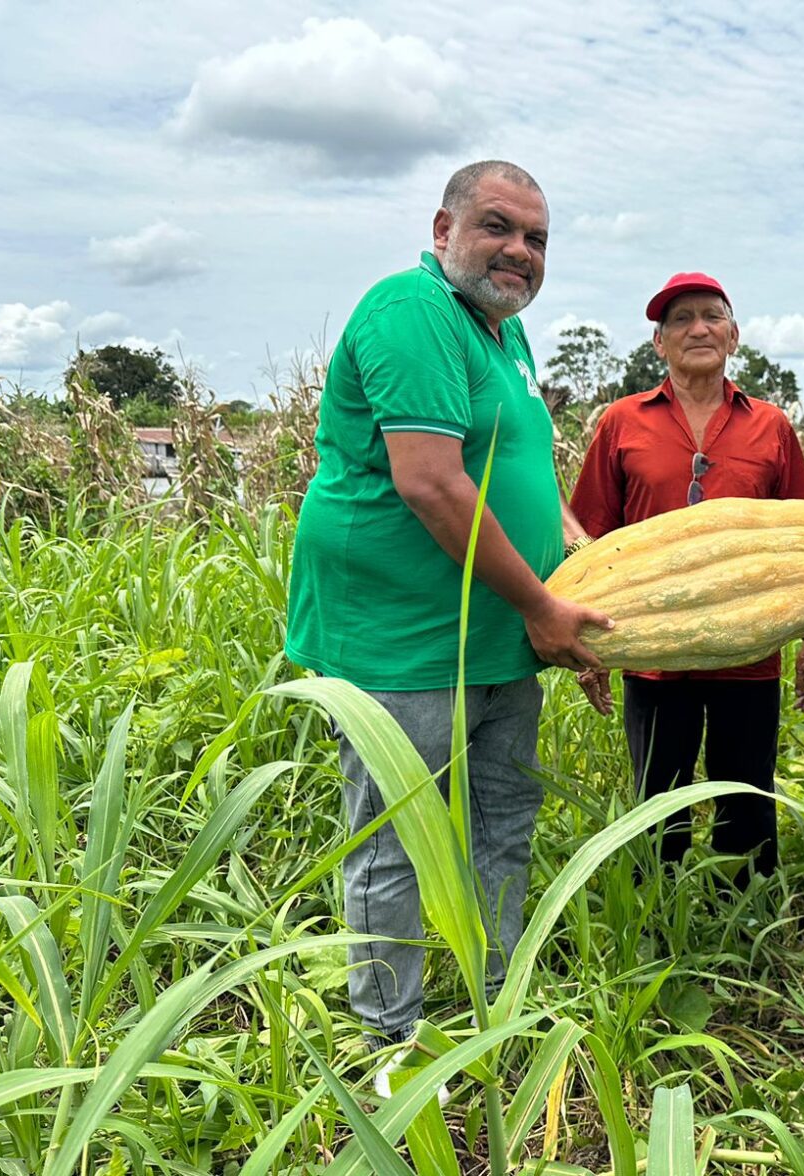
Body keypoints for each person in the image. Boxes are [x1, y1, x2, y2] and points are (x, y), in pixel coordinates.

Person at [284, 160, 610, 1095]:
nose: (519, 251)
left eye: (537, 239)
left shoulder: (505, 334)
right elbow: (432, 483)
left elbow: (516, 473)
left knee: (503, 820)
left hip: (498, 630)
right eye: (499, 227)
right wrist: (545, 605)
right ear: (443, 228)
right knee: (395, 836)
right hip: (403, 636)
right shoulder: (411, 310)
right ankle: (390, 1041)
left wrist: (571, 557)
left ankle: (496, 999)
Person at [569, 272, 804, 881]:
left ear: (734, 336)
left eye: (712, 316)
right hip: (653, 652)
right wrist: (587, 643)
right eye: (679, 320)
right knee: (659, 802)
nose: (698, 329)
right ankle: (660, 925)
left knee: (748, 797)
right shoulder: (621, 423)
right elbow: (588, 535)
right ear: (659, 344)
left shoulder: (772, 426)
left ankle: (747, 919)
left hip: (751, 650)